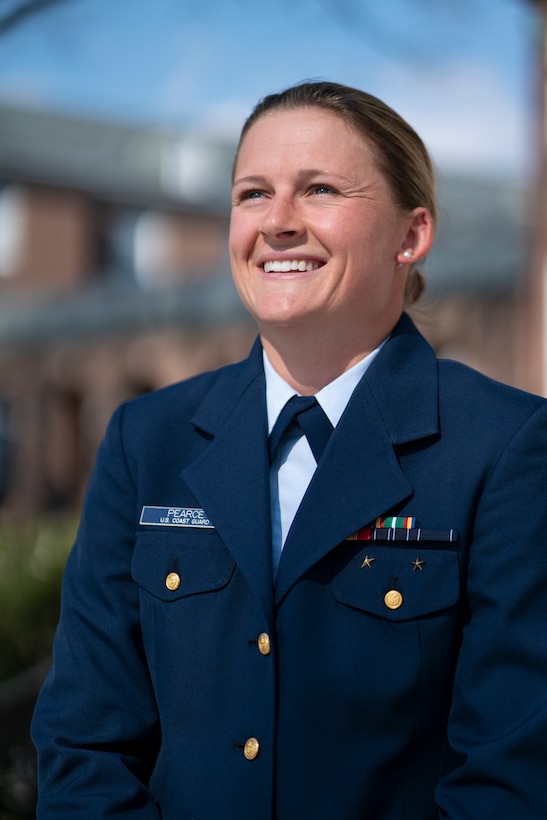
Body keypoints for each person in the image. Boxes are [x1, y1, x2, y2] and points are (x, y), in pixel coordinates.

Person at [32, 81, 547, 819]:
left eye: (318, 190)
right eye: (252, 193)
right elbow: (85, 741)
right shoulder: (146, 441)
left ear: (411, 234)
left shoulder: (505, 449)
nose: (276, 222)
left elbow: (512, 771)